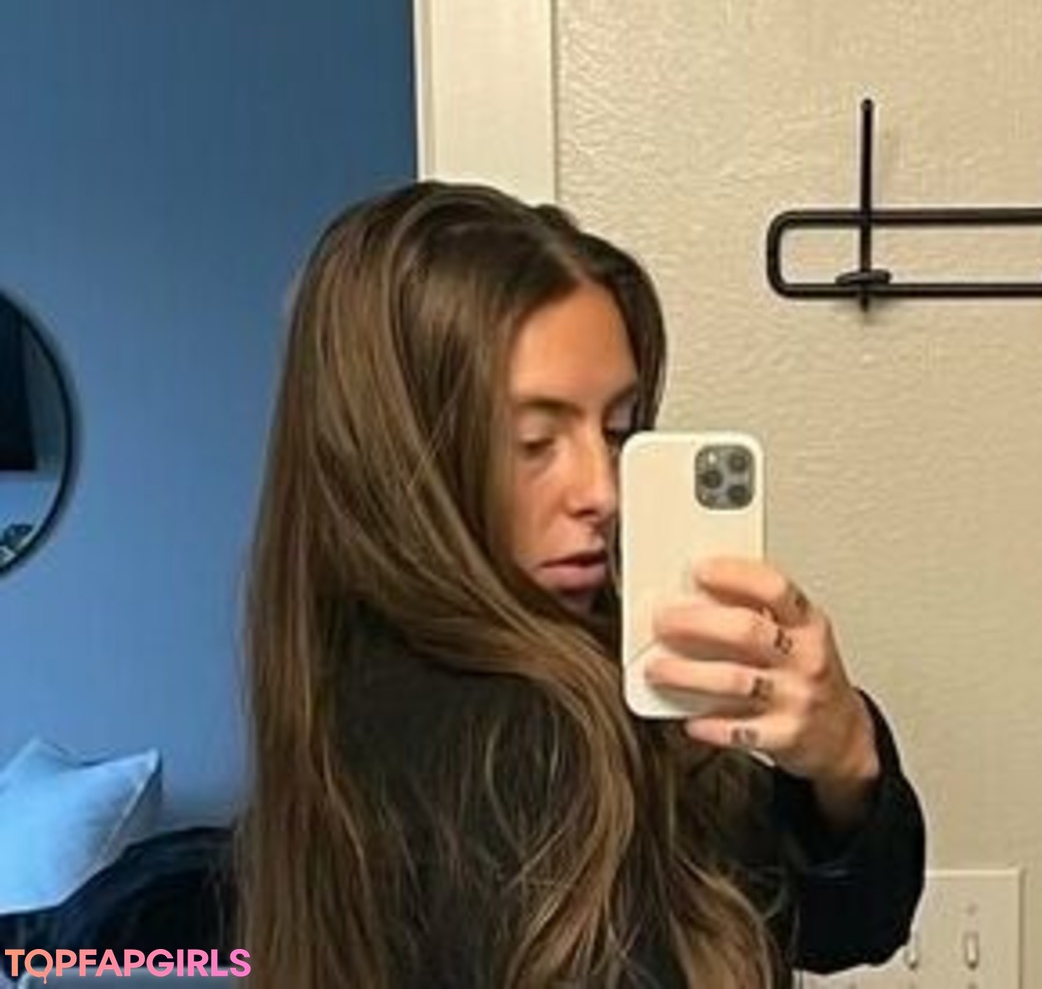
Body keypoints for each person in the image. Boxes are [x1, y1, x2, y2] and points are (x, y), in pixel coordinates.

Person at [238, 180, 925, 989]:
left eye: (619, 430)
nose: (603, 490)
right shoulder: (525, 740)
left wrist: (843, 756)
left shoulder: (333, 697)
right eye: (536, 441)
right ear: (398, 462)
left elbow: (844, 920)